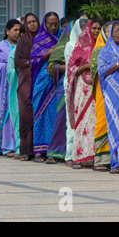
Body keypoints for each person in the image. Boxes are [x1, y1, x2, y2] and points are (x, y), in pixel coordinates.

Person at [66, 20, 101, 169]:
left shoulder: (102, 46)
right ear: (87, 29)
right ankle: (79, 157)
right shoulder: (80, 47)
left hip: (97, 87)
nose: (96, 31)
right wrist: (86, 67)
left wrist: (90, 66)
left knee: (94, 120)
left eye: (99, 28)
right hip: (82, 89)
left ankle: (93, 156)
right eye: (94, 28)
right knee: (82, 120)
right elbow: (71, 67)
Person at [30, 12, 62, 162]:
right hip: (42, 82)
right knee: (39, 116)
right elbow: (32, 62)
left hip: (57, 82)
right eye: (51, 24)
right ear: (45, 24)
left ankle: (53, 151)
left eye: (56, 24)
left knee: (55, 116)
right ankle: (38, 152)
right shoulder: (39, 40)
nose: (54, 27)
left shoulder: (63, 39)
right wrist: (48, 54)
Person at [97, 21, 119, 174]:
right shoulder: (104, 51)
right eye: (116, 30)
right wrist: (117, 64)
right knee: (114, 124)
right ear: (110, 34)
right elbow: (101, 71)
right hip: (111, 93)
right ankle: (115, 162)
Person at [45, 20, 74, 164]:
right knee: (62, 117)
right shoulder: (62, 46)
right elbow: (51, 67)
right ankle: (55, 151)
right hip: (64, 85)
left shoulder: (89, 46)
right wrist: (70, 67)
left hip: (82, 86)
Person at [0, 19, 21, 156]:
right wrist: (9, 66)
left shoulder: (22, 46)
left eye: (19, 30)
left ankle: (19, 145)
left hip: (19, 85)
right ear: (7, 31)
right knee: (9, 116)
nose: (17, 33)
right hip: (5, 88)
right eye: (15, 30)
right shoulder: (0, 48)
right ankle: (8, 146)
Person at [14, 13, 40, 161]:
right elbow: (17, 62)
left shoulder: (44, 39)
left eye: (34, 21)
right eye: (29, 22)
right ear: (25, 24)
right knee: (26, 113)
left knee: (40, 114)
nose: (32, 24)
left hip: (41, 80)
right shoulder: (23, 41)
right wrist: (34, 62)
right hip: (26, 80)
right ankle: (25, 150)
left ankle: (39, 150)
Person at [63, 18, 89, 166]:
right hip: (73, 86)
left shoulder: (91, 45)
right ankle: (70, 155)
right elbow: (72, 68)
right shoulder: (70, 45)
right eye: (83, 28)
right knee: (72, 121)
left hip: (87, 88)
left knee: (85, 121)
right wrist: (86, 66)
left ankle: (84, 154)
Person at [90, 22, 112, 171]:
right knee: (103, 120)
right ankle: (100, 158)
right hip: (102, 90)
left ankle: (114, 158)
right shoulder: (99, 50)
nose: (115, 34)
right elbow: (96, 70)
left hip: (118, 91)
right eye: (110, 31)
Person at [6, 24, 25, 159]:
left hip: (30, 89)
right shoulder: (14, 52)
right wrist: (20, 69)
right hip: (17, 90)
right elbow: (9, 72)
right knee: (18, 118)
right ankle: (19, 147)